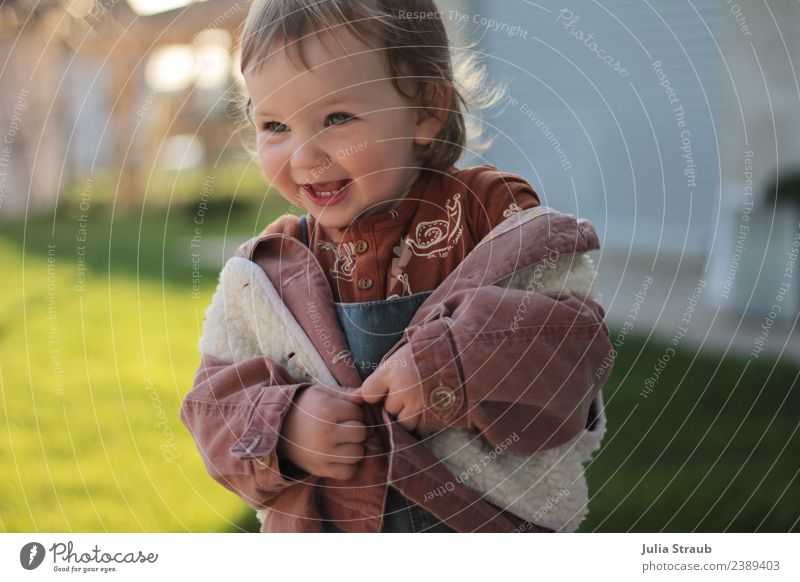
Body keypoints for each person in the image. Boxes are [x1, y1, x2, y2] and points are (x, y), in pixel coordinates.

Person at [180, 0, 614, 533]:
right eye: (275, 125)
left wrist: (451, 363)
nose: (302, 156)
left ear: (426, 109)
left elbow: (572, 353)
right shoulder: (271, 272)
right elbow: (213, 406)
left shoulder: (489, 216)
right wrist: (287, 426)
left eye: (337, 118)